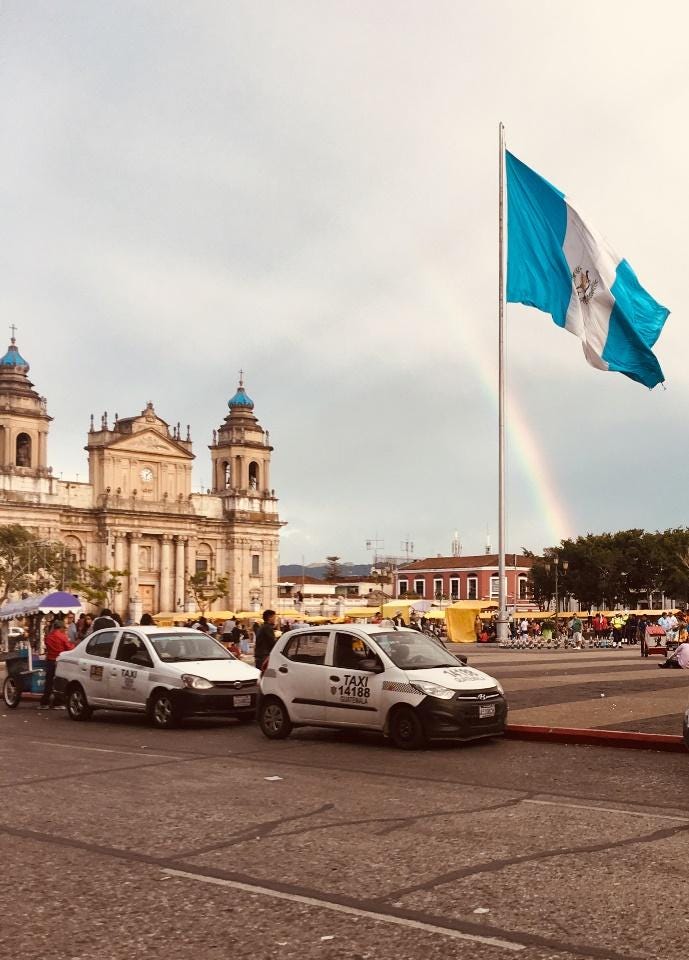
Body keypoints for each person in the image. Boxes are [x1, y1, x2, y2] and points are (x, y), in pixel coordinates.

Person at [38, 618, 74, 709]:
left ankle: (44, 702)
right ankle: (58, 702)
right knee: (59, 682)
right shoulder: (62, 636)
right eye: (64, 628)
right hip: (59, 662)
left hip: (50, 661)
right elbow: (69, 648)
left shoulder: (48, 637)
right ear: (61, 628)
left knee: (49, 682)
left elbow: (47, 645)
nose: (65, 630)